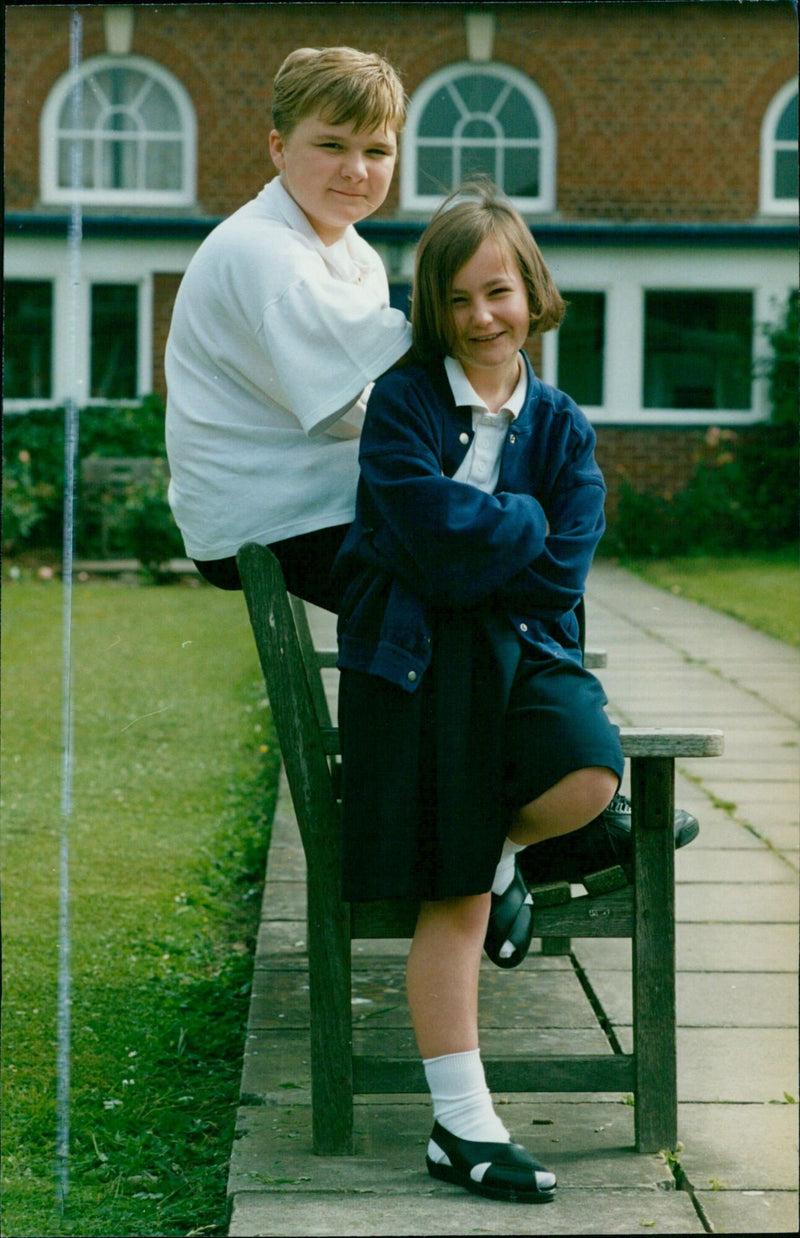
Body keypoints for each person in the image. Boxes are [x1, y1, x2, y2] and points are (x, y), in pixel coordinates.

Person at [332, 181, 629, 1204]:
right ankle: (461, 1125)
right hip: (415, 668)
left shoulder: (561, 424)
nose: (479, 316)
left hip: (526, 652)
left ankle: (507, 853)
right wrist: (520, 522)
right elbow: (414, 530)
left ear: (529, 290)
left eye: (495, 291)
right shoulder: (403, 401)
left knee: (592, 772)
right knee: (449, 881)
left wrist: (485, 539)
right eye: (456, 299)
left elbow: (558, 574)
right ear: (433, 307)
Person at [165, 46, 412, 612]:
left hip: (312, 490)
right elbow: (408, 367)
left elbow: (365, 405)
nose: (357, 169)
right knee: (448, 599)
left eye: (377, 150)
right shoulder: (263, 248)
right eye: (332, 145)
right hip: (265, 513)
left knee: (493, 565)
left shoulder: (358, 257)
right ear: (279, 147)